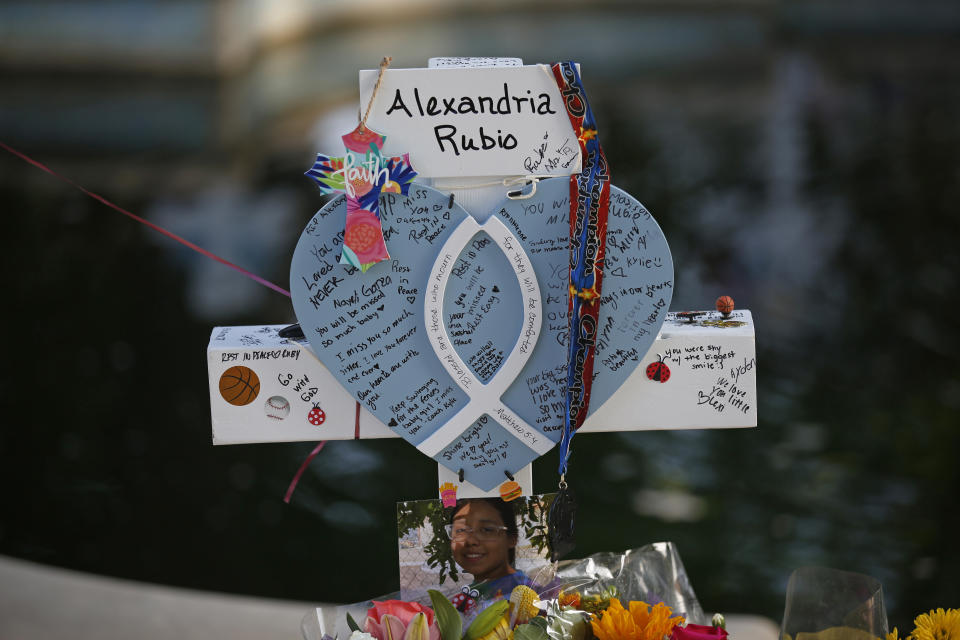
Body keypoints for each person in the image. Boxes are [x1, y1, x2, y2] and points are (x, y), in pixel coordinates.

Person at [447, 498, 535, 603]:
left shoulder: (528, 600)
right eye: (461, 530)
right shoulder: (465, 599)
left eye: (486, 530)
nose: (470, 541)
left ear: (512, 538)